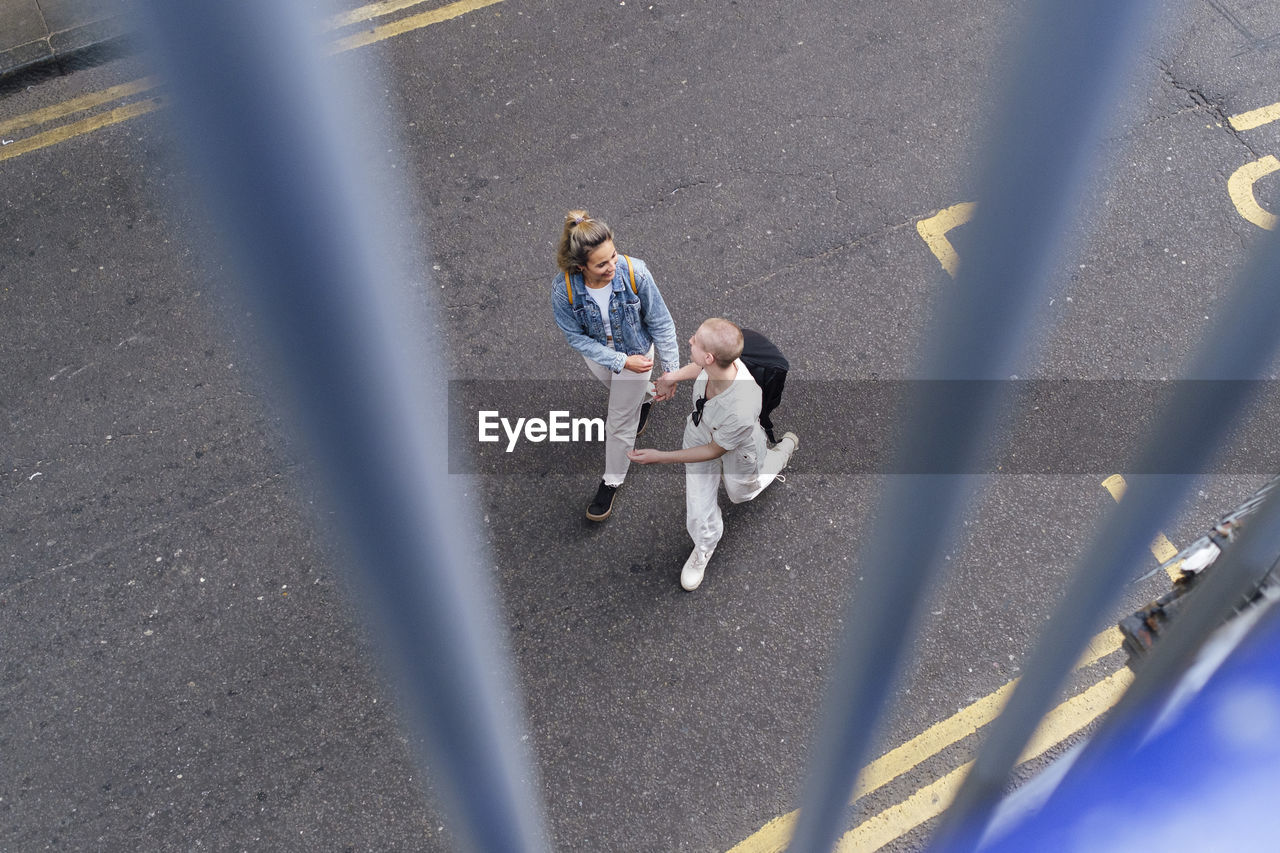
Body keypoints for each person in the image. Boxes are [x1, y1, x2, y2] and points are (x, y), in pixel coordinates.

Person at [628, 318, 798, 590]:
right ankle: (704, 547)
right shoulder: (717, 364)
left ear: (709, 356)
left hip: (738, 449)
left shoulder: (742, 406)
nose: (690, 341)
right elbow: (699, 367)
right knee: (698, 507)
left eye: (695, 339)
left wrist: (659, 456)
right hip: (702, 429)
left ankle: (781, 453)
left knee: (741, 493)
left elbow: (713, 451)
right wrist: (671, 377)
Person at [551, 210, 680, 521]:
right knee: (625, 396)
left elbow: (661, 323)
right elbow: (576, 337)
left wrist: (671, 371)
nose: (612, 266)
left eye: (613, 255)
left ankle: (611, 480)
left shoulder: (635, 273)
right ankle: (646, 399)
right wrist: (620, 361)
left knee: (619, 422)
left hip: (638, 355)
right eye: (602, 264)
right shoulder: (564, 290)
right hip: (602, 357)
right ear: (581, 267)